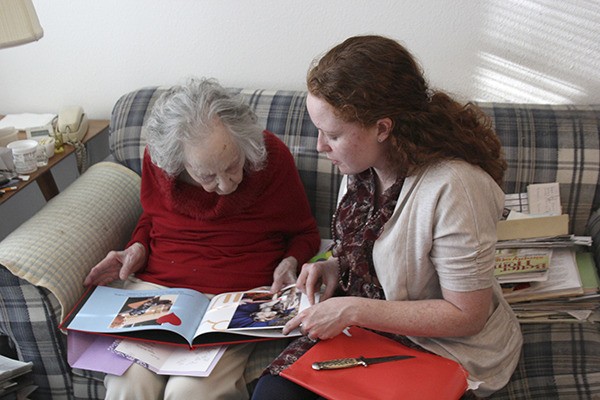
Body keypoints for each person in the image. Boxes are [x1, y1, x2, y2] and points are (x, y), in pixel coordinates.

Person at [251, 35, 523, 399]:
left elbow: (466, 314)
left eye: (332, 134)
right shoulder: (361, 166)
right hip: (365, 334)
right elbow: (377, 249)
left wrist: (353, 310)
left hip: (439, 348)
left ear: (383, 127)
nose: (320, 146)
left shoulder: (455, 186)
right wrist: (334, 267)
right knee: (272, 393)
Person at [83, 78, 321, 400]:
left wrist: (290, 262)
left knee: (190, 393)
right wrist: (136, 249)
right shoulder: (159, 161)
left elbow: (304, 231)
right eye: (207, 176)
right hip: (161, 292)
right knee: (128, 384)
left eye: (233, 166)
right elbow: (153, 216)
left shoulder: (269, 156)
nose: (225, 186)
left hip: (236, 300)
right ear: (178, 164)